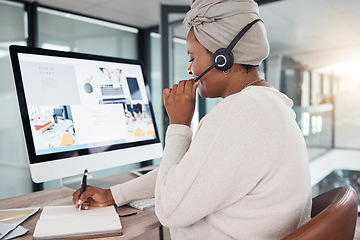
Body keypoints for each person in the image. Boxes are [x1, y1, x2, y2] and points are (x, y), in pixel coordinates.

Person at [72, 0, 312, 239]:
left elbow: (168, 210)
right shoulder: (268, 105)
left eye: (192, 57)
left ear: (222, 59)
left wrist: (178, 124)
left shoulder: (239, 112)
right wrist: (115, 195)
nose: (190, 70)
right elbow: (191, 173)